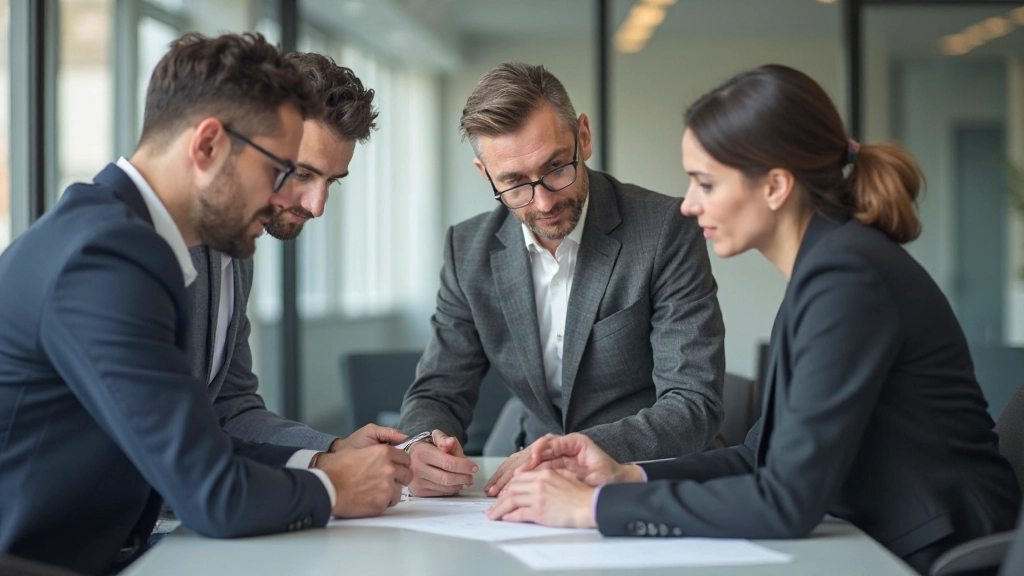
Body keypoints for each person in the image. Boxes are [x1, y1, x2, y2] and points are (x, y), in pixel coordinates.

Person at [485, 64, 1021, 575]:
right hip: (882, 541)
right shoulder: (827, 267)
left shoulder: (848, 278)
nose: (690, 205)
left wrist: (593, 509)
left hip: (933, 554)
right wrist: (624, 476)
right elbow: (760, 456)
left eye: (706, 183)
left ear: (774, 186)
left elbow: (785, 502)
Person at [0, 33, 410, 575]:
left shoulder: (137, 239)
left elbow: (206, 440)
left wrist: (328, 460)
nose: (292, 200)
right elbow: (212, 492)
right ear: (208, 145)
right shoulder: (105, 257)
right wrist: (333, 485)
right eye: (281, 171)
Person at [398, 61, 725, 498]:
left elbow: (693, 404)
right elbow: (439, 388)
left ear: (583, 137)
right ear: (485, 175)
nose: (545, 201)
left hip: (644, 482)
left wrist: (575, 451)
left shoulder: (665, 229)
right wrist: (422, 444)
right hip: (531, 490)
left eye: (556, 168)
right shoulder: (467, 249)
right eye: (514, 183)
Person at [186, 52, 398, 467]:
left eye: (331, 181)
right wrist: (324, 480)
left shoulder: (236, 254)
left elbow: (231, 408)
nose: (318, 206)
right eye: (302, 174)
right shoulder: (158, 245)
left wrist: (333, 450)